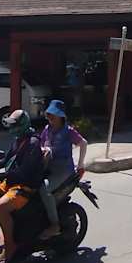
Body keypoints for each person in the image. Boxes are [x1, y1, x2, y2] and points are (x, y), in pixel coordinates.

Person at [0, 110, 44, 263]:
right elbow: (7, 160)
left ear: (22, 125)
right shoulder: (17, 140)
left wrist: (0, 176)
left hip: (25, 186)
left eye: (14, 125)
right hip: (12, 181)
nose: (11, 128)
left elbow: (24, 172)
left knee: (0, 208)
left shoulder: (33, 143)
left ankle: (10, 245)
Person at [37, 100, 88, 240]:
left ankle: (55, 225)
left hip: (64, 171)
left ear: (61, 116)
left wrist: (81, 165)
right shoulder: (47, 130)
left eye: (53, 114)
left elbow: (83, 143)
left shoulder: (68, 131)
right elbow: (39, 146)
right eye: (49, 114)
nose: (50, 117)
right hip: (49, 168)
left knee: (44, 190)